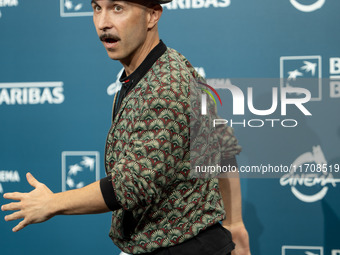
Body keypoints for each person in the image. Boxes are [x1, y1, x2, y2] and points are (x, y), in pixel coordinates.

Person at [1, 0, 251, 254]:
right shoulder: (159, 66)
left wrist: (52, 203)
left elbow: (129, 185)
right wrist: (236, 223)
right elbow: (220, 145)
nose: (103, 23)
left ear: (152, 15)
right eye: (97, 8)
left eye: (117, 8)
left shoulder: (166, 86)